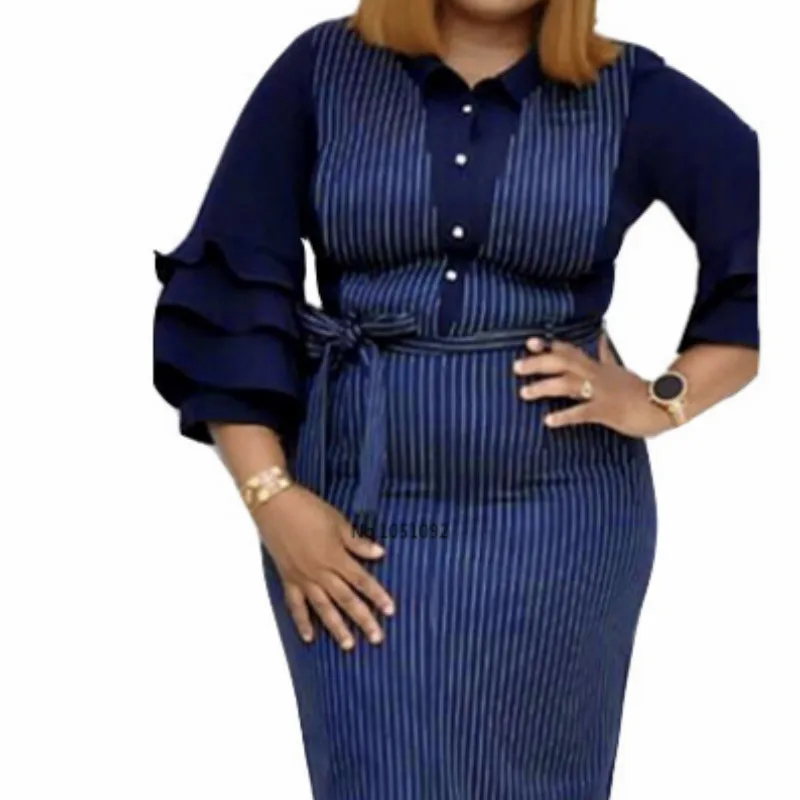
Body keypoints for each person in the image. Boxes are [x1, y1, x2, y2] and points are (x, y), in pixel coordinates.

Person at [152, 1, 759, 797]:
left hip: (561, 526)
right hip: (350, 520)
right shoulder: (321, 71)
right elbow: (231, 284)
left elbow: (757, 256)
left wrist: (659, 398)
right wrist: (272, 498)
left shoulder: (633, 91)